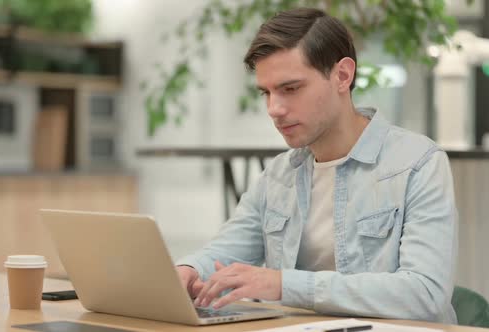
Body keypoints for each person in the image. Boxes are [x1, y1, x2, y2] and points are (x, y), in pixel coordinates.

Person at [176, 7, 458, 324]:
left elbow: (425, 294)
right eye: (266, 93)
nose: (274, 109)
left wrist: (283, 284)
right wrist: (187, 271)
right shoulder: (279, 175)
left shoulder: (418, 163)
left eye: (290, 89)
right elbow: (224, 253)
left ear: (342, 75)